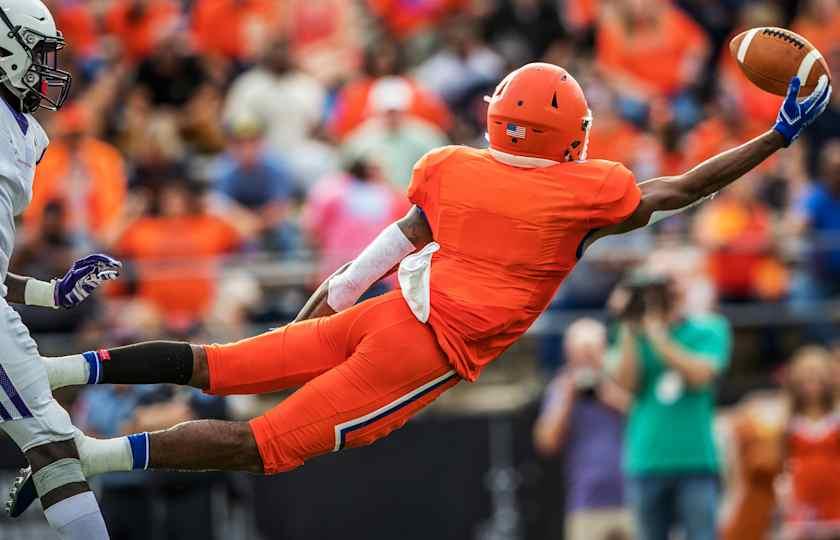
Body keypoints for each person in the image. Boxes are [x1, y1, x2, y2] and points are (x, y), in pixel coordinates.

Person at [9, 62, 831, 514]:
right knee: (269, 446)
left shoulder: (448, 166)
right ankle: (87, 453)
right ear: (568, 138)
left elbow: (380, 248)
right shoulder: (587, 192)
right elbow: (681, 188)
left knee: (225, 363)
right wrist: (776, 135)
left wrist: (324, 306)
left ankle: (56, 372)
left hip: (381, 307)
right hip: (424, 345)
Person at [0, 1, 122, 538]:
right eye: (38, 53)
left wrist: (51, 294)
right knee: (55, 446)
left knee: (57, 445)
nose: (48, 67)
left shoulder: (25, 133)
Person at [609, 269, 732, 540]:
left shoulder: (709, 328)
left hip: (696, 459)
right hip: (646, 460)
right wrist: (630, 324)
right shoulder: (633, 333)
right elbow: (627, 383)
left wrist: (658, 335)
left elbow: (700, 376)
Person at [533, 318, 632, 540]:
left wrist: (612, 396)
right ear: (568, 353)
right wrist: (566, 400)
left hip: (634, 498)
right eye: (580, 352)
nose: (586, 359)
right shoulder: (561, 387)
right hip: (586, 503)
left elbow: (648, 422)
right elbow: (546, 443)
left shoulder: (624, 377)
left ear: (604, 348)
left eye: (591, 351)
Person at [782, 346, 840, 539]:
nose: (811, 384)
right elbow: (782, 460)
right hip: (802, 499)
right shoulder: (788, 421)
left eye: (817, 376)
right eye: (806, 377)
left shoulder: (836, 418)